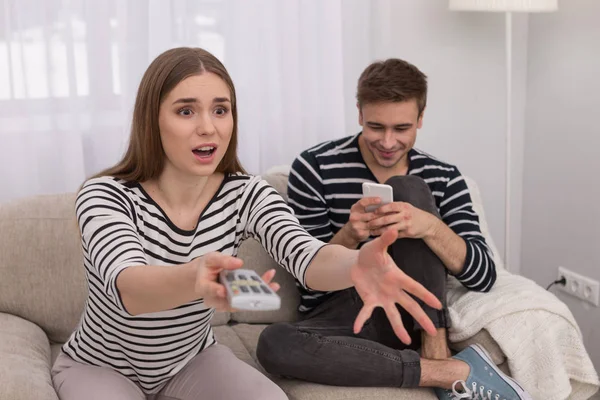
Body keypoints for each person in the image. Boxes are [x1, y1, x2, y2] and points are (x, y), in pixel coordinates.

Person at [50, 48, 445, 400]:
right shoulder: (105, 194)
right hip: (99, 366)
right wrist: (193, 278)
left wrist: (355, 266)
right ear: (152, 120)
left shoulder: (247, 194)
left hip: (190, 362)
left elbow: (307, 257)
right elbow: (129, 289)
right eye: (186, 110)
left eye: (220, 110)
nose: (209, 127)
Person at [257, 59, 531, 399]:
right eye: (376, 127)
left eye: (401, 128)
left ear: (421, 118)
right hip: (348, 311)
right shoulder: (315, 167)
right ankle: (445, 372)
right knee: (274, 343)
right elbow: (308, 284)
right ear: (359, 114)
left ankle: (435, 346)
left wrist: (429, 226)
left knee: (409, 190)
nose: (387, 142)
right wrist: (350, 235)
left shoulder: (444, 177)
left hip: (417, 312)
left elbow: (483, 275)